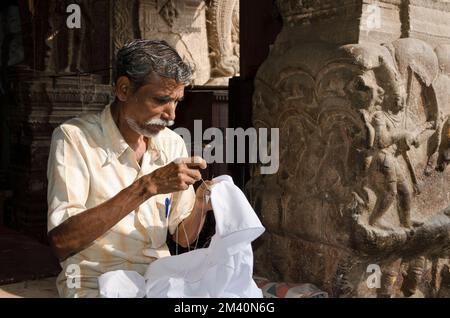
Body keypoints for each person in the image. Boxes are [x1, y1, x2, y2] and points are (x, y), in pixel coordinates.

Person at [46, 39, 213, 297]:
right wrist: (147, 186)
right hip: (95, 283)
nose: (172, 115)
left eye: (177, 101)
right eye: (161, 100)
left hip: (159, 281)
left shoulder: (172, 143)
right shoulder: (74, 139)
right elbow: (62, 242)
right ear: (124, 90)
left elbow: (181, 238)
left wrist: (200, 205)